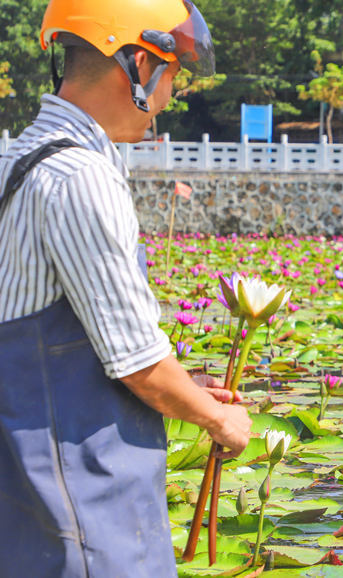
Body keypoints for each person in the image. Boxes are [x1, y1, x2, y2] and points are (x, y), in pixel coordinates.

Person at [0, 1, 251, 576]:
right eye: (173, 76)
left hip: (30, 497)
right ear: (140, 65)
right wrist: (218, 421)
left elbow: (66, 341)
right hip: (87, 505)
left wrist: (185, 385)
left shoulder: (19, 159)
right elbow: (138, 365)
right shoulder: (80, 178)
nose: (169, 98)